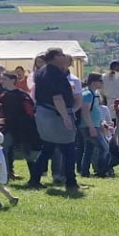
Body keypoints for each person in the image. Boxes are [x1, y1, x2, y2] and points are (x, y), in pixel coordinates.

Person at [33, 48, 82, 192]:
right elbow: (57, 97)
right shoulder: (53, 73)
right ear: (55, 57)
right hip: (55, 115)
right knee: (69, 150)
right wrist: (66, 117)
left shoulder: (41, 71)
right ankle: (71, 182)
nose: (64, 56)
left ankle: (35, 178)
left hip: (43, 113)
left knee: (47, 148)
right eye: (61, 54)